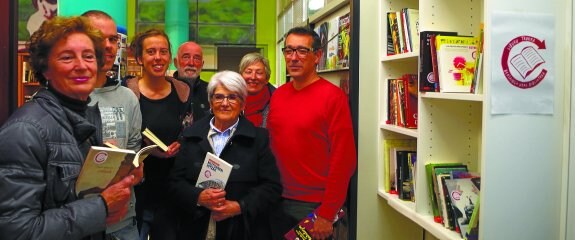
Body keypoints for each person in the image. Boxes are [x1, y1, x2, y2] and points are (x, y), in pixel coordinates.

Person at [0, 16, 138, 239]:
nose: (82, 66)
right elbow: (17, 231)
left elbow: (72, 193)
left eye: (89, 56)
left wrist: (121, 174)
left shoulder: (83, 118)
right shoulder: (24, 131)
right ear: (45, 69)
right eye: (67, 57)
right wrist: (101, 207)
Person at [167, 70, 282, 240]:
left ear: (243, 103)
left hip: (241, 230)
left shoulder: (259, 138)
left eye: (233, 97)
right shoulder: (191, 135)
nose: (225, 103)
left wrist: (239, 206)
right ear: (211, 102)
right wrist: (197, 196)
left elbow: (272, 187)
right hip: (195, 228)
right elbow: (175, 183)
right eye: (219, 97)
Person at [267, 26, 357, 240]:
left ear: (317, 56)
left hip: (313, 208)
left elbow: (344, 159)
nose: (293, 58)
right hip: (275, 199)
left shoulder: (333, 97)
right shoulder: (279, 95)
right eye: (288, 51)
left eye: (301, 51)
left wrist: (327, 213)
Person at [125, 29, 191, 240]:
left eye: (163, 51)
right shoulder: (126, 92)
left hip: (171, 188)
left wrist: (181, 144)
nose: (158, 57)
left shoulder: (183, 91)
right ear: (139, 58)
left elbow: (188, 131)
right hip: (135, 189)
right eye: (151, 51)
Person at [83, 10, 143, 240]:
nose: (108, 46)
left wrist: (136, 169)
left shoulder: (128, 97)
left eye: (113, 39)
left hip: (123, 221)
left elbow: (134, 147)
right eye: (99, 37)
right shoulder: (66, 99)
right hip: (80, 221)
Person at [173, 41, 210, 122]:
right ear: (176, 62)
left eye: (196, 58)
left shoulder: (211, 92)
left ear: (202, 65)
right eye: (186, 57)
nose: (191, 63)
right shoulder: (166, 90)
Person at [238, 52, 276, 127]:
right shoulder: (230, 99)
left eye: (259, 73)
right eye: (248, 72)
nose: (253, 77)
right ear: (241, 76)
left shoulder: (278, 100)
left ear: (267, 78)